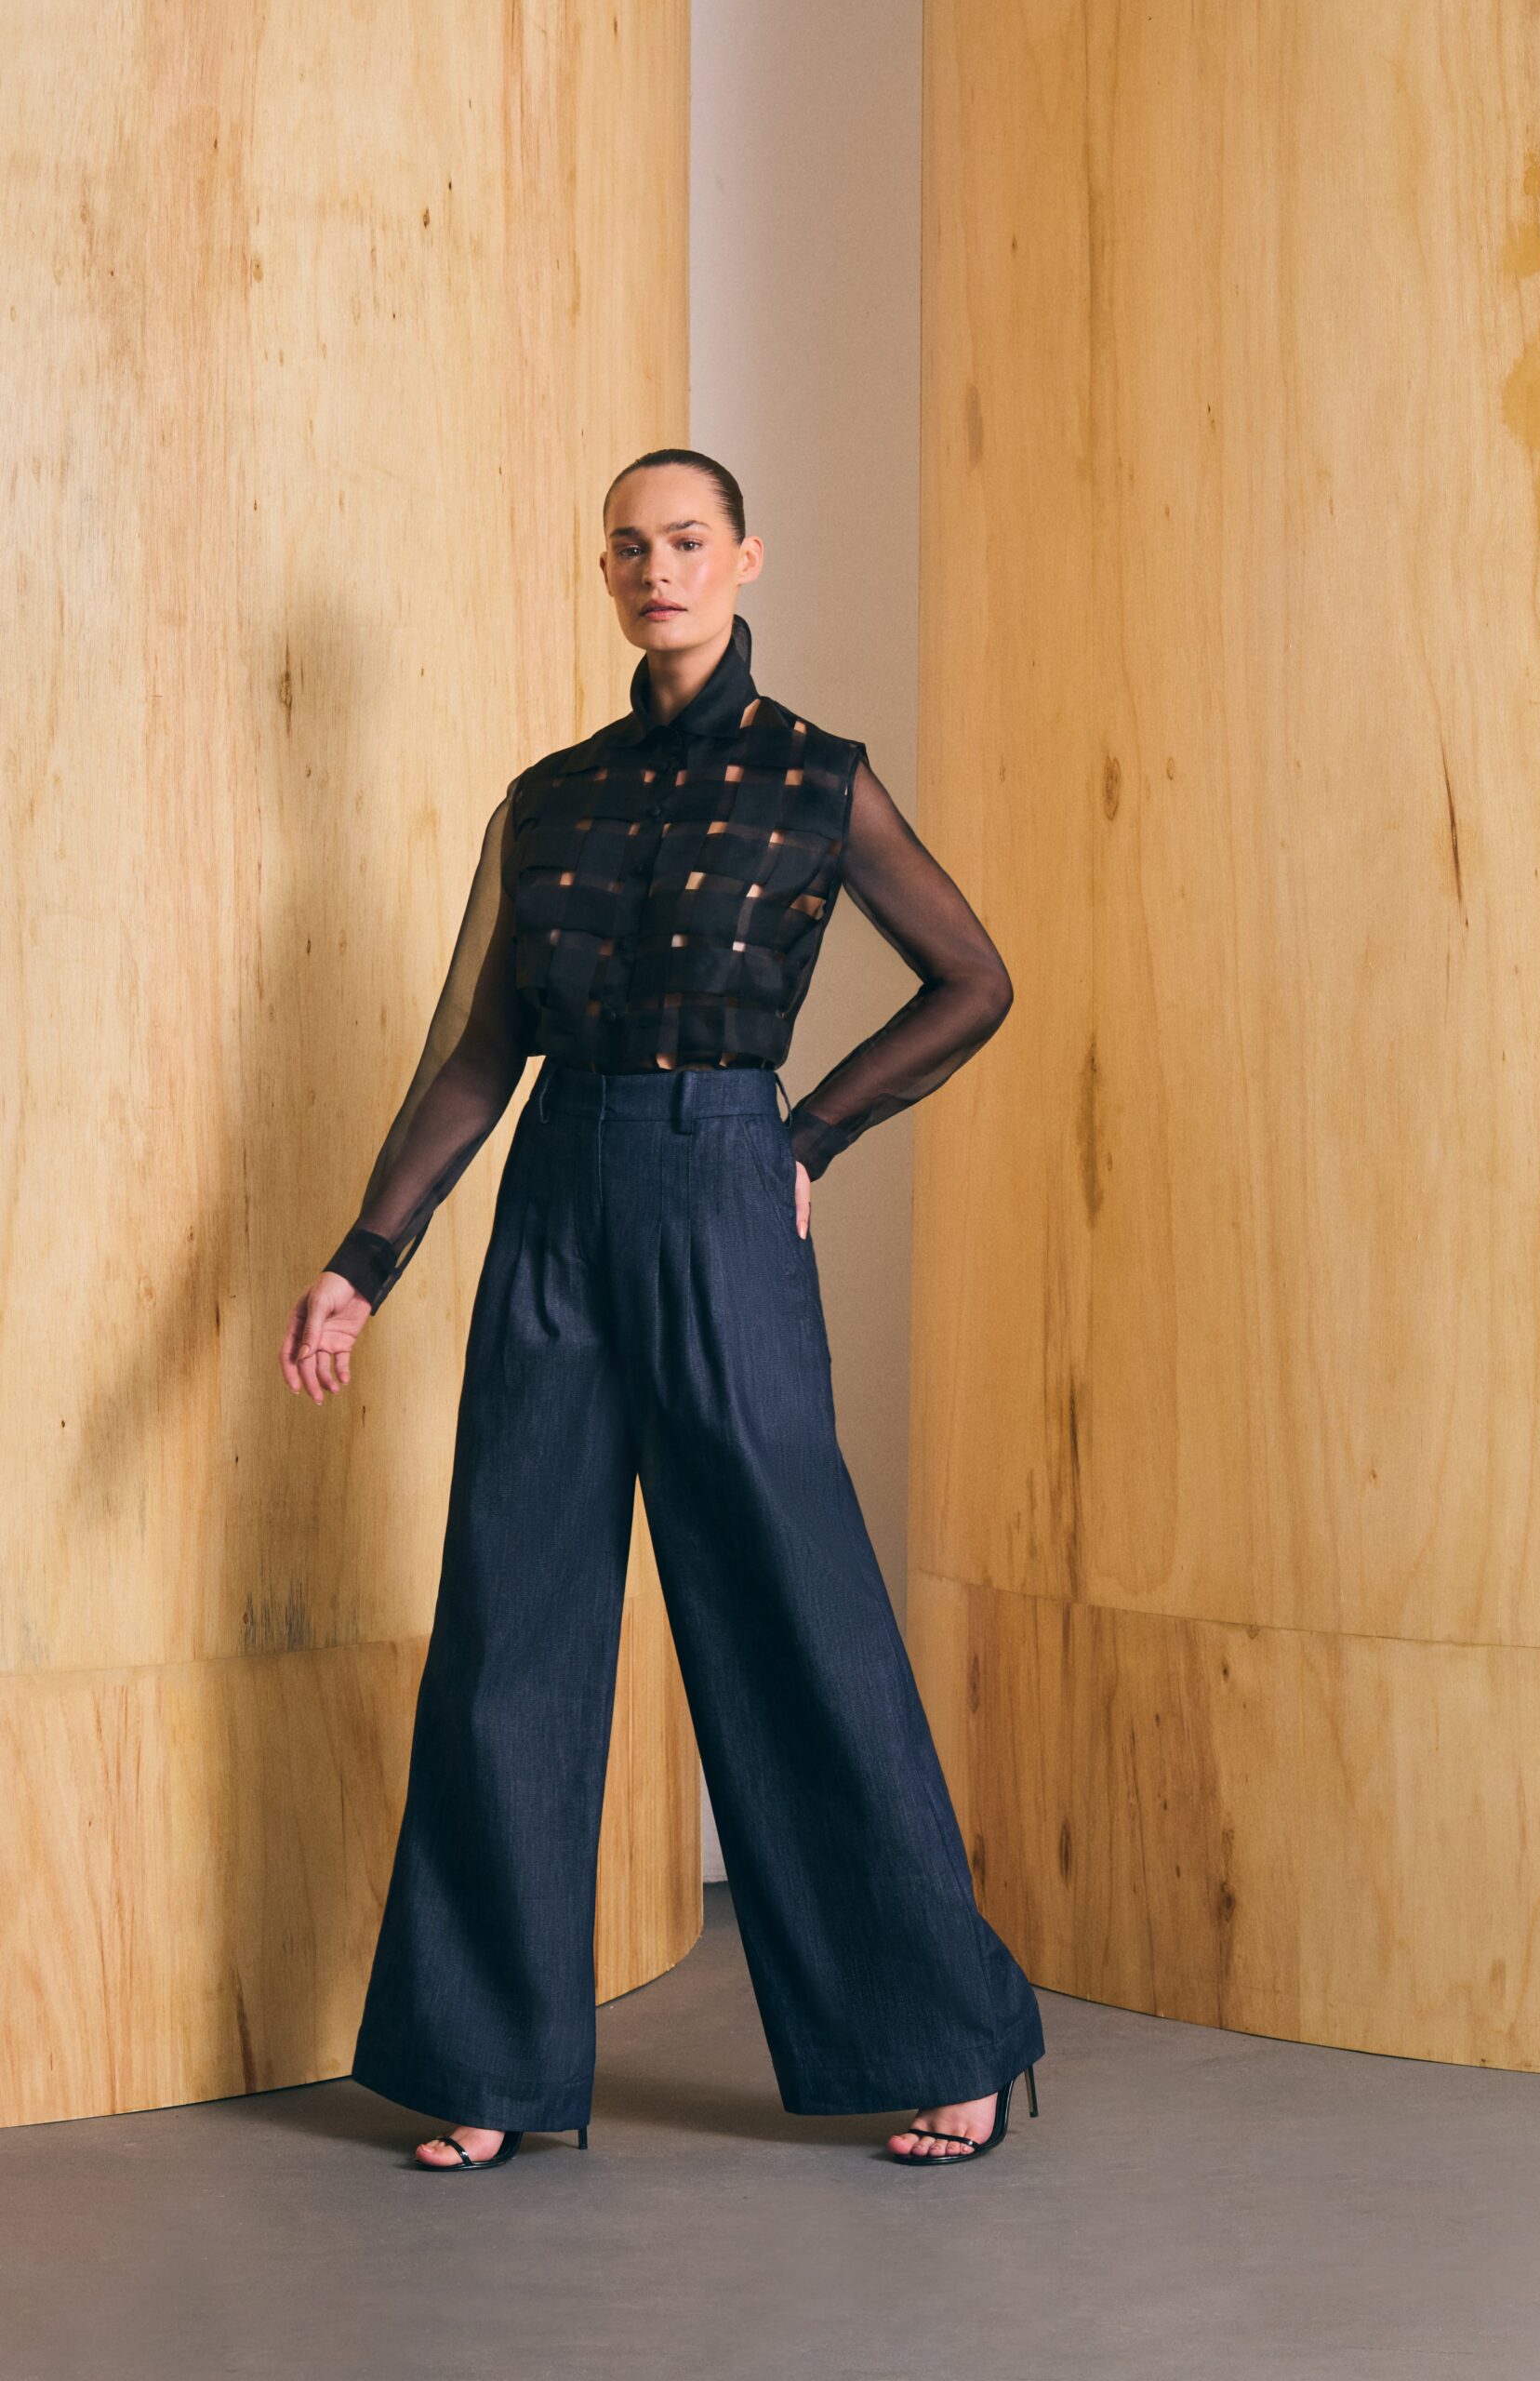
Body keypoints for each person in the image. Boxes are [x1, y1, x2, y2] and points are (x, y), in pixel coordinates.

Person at [280, 448, 1044, 2170]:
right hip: (557, 1200)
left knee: (795, 1624)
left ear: (743, 557)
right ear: (606, 572)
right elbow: (480, 1049)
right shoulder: (550, 798)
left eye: (686, 541)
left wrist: (808, 1135)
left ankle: (949, 2036)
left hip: (721, 1194)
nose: (656, 569)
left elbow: (973, 980)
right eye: (628, 547)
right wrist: (364, 1260)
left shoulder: (817, 779)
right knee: (509, 1632)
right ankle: (486, 2065)